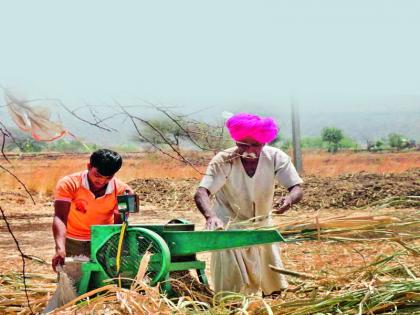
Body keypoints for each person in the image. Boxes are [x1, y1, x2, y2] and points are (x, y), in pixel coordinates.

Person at [194, 113, 303, 295]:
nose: (249, 150)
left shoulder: (275, 157)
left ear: (264, 143)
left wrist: (289, 199)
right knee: (232, 287)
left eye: (256, 145)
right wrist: (210, 216)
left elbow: (296, 188)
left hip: (262, 226)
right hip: (230, 227)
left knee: (272, 280)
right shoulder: (223, 160)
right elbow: (202, 192)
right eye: (243, 145)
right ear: (236, 141)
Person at [51, 149, 133, 271]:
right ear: (89, 166)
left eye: (108, 177)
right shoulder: (69, 183)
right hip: (73, 241)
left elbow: (118, 226)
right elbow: (60, 217)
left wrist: (114, 250)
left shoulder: (123, 191)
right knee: (73, 284)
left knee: (103, 283)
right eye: (98, 175)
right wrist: (60, 248)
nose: (101, 181)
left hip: (103, 241)